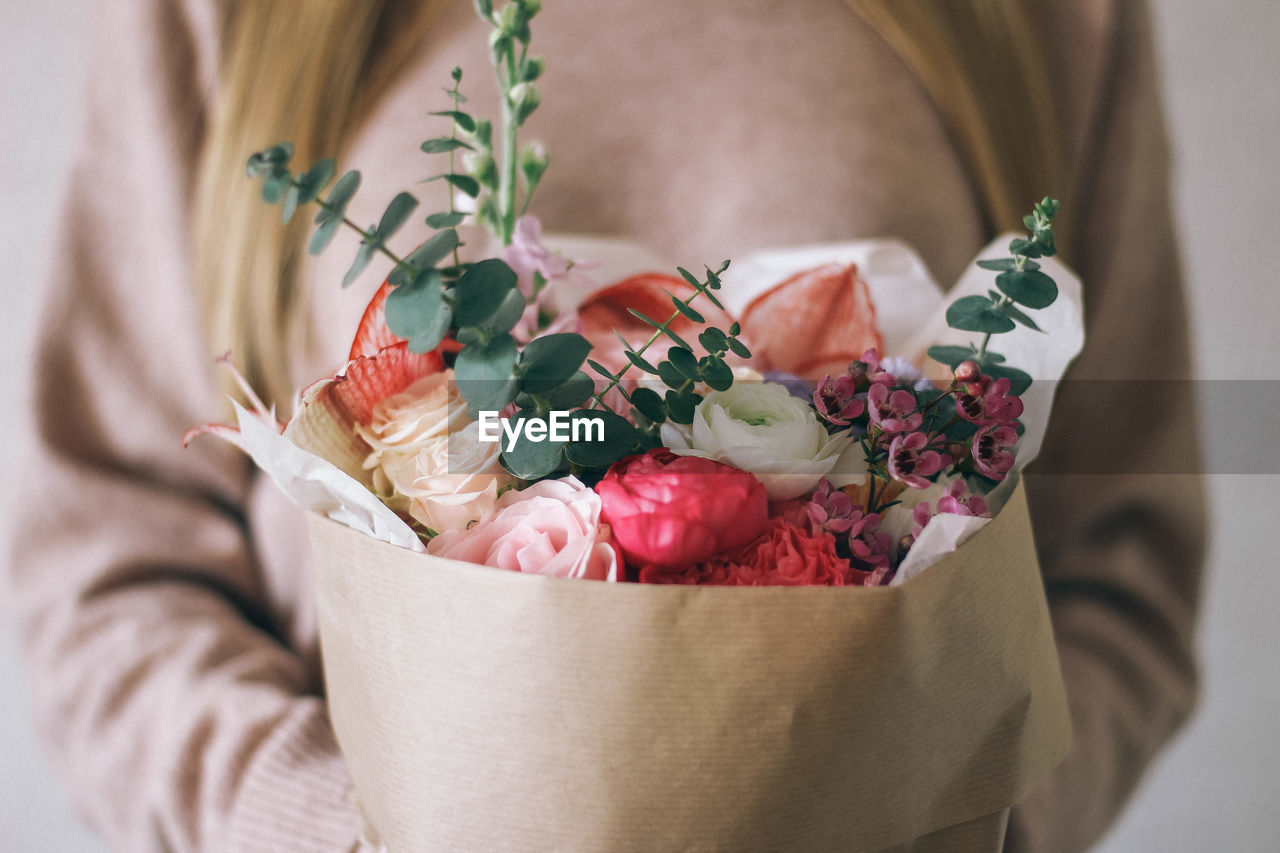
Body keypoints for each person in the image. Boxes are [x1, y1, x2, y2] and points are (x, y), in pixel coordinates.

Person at [3, 1, 1204, 850]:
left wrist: (951, 823)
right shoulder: (220, 14)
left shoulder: (1048, 17)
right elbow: (105, 559)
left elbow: (1119, 561)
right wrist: (339, 832)